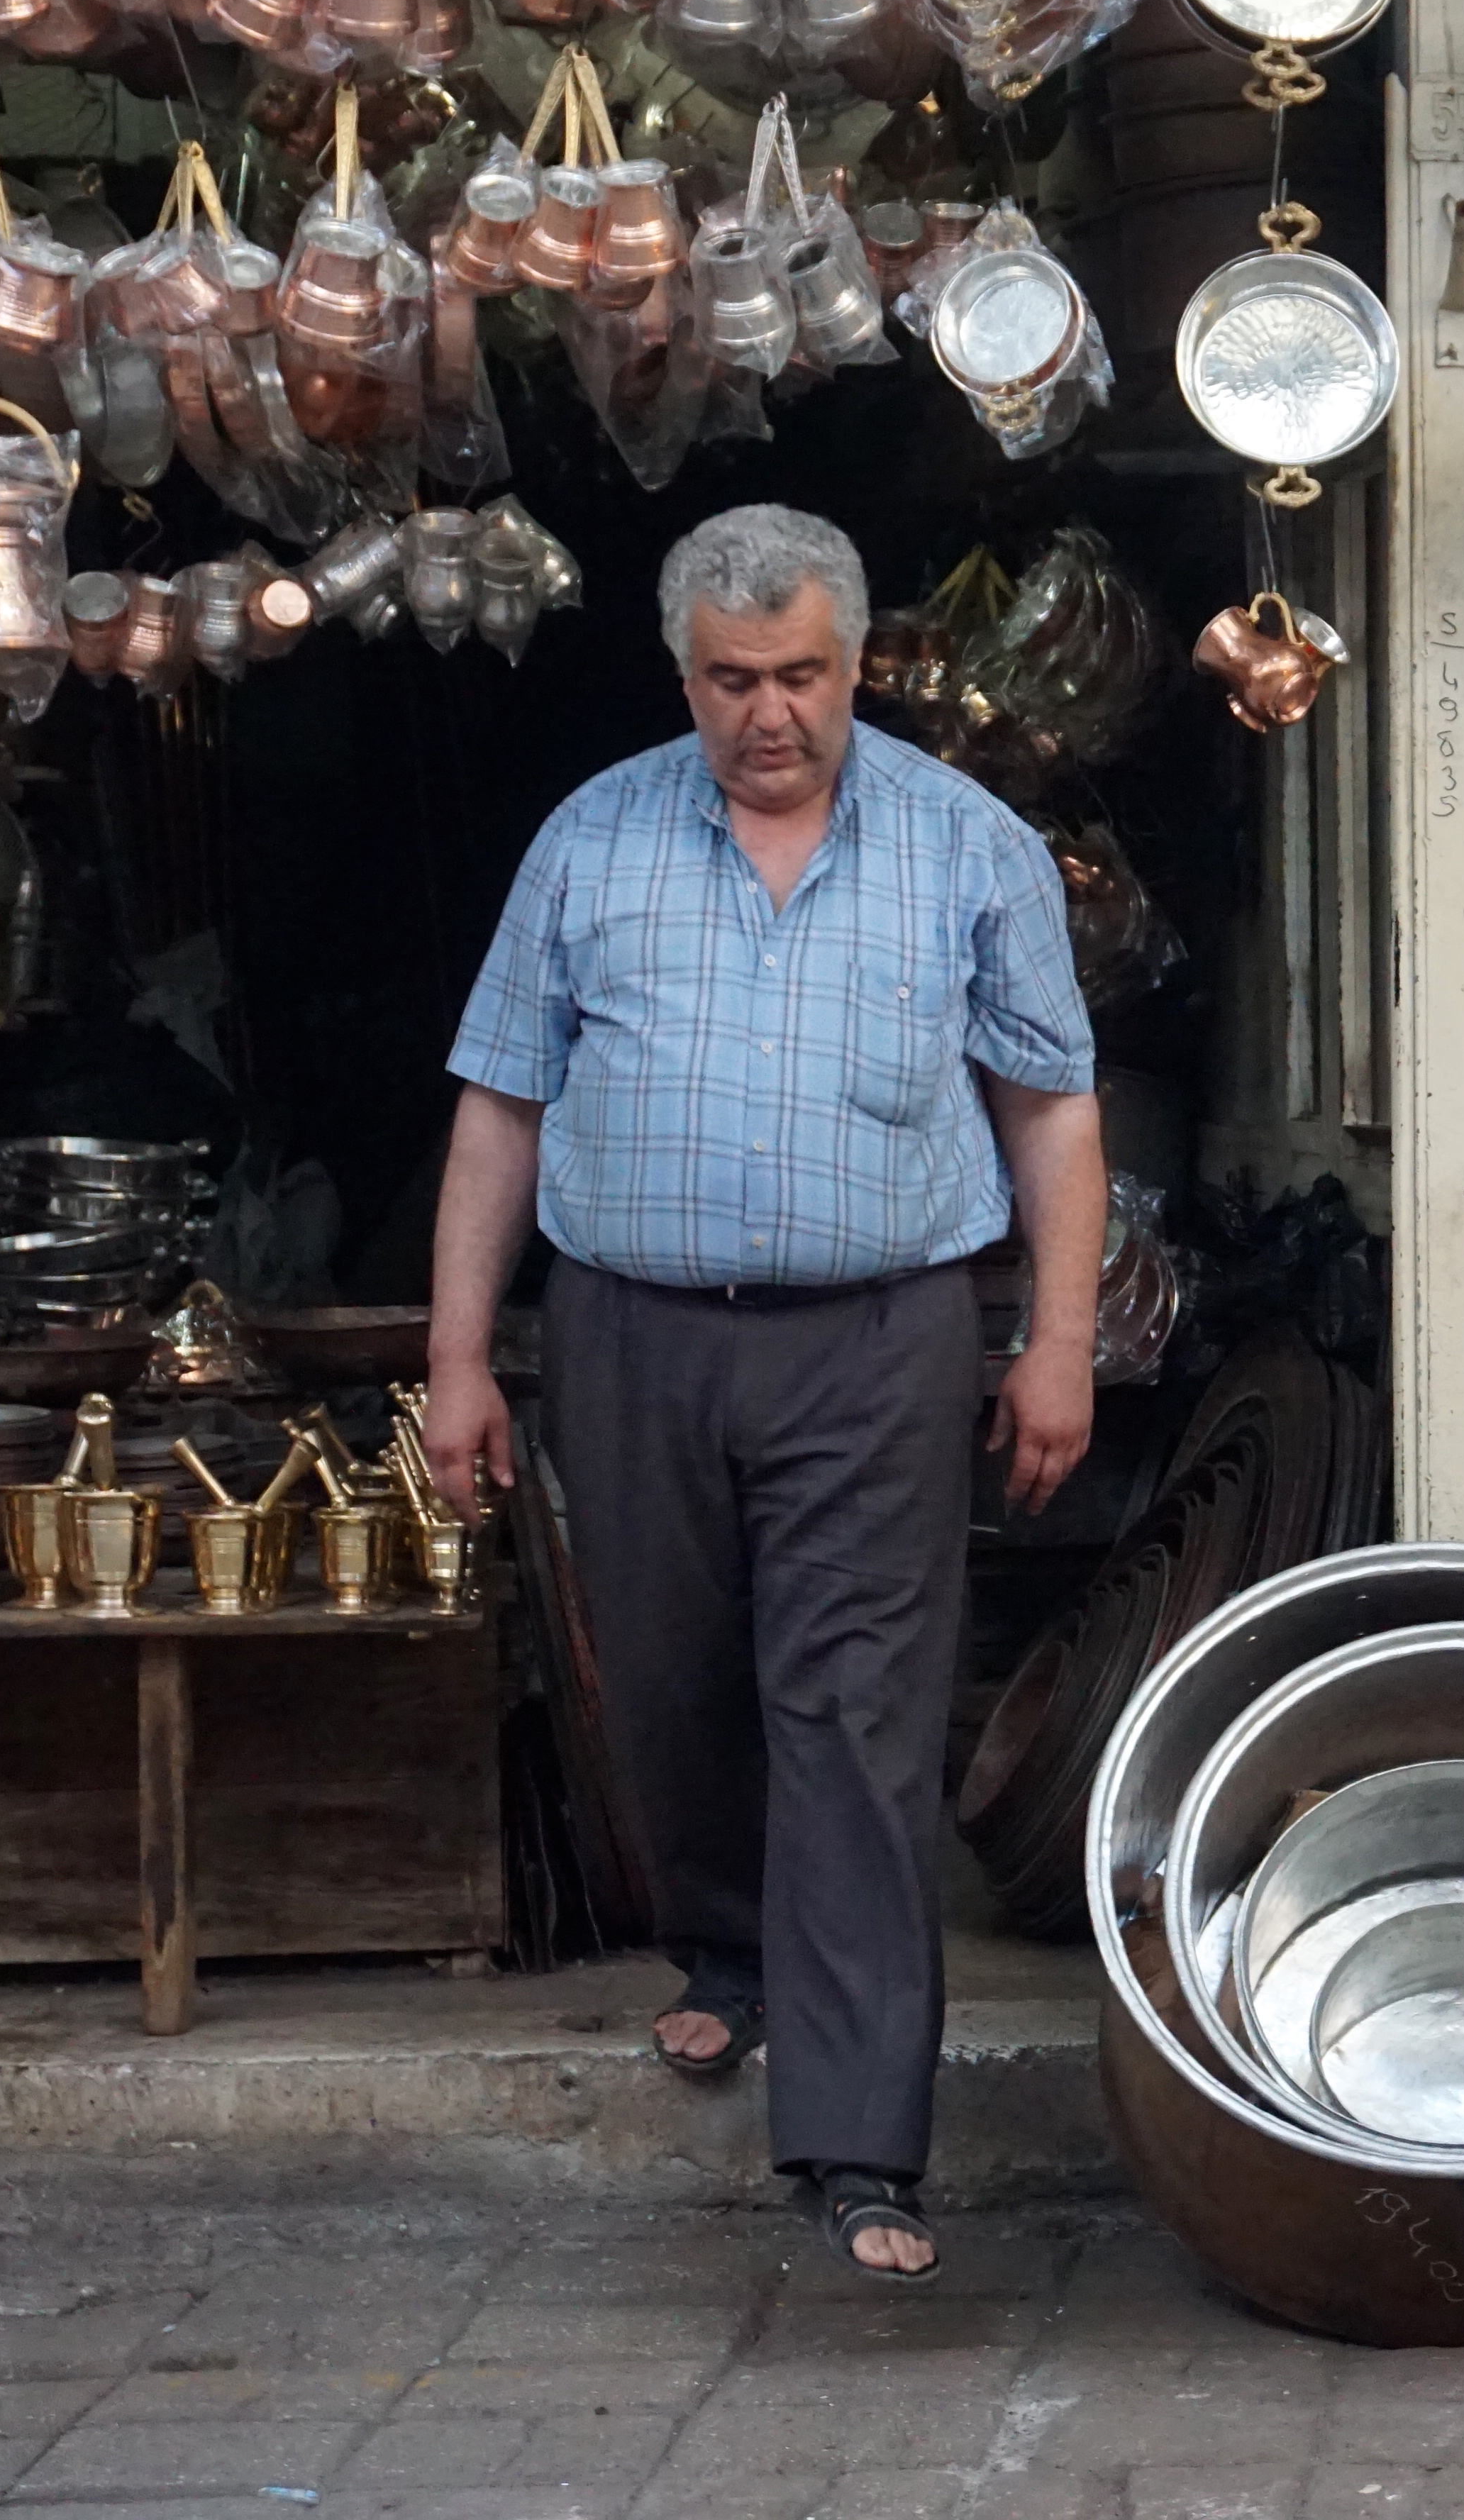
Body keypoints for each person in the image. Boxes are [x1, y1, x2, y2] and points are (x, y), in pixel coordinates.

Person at [421, 504, 1102, 2285]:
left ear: (855, 661)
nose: (768, 711)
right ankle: (730, 1951)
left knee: (859, 1718)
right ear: (683, 674)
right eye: (732, 678)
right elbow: (501, 1104)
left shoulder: (969, 842)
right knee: (669, 1678)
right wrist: (457, 1356)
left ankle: (864, 2138)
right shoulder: (591, 838)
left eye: (800, 672)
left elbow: (1052, 1108)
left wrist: (1055, 1337)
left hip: (882, 1339)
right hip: (634, 1333)